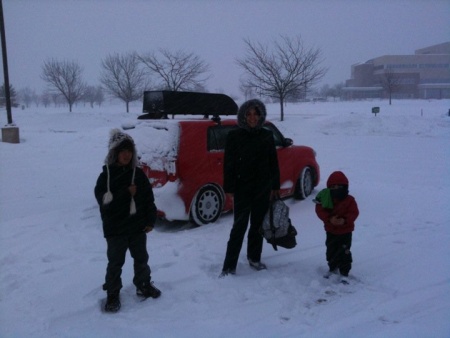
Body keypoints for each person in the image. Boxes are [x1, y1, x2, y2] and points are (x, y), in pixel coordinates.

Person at [94, 128, 161, 313]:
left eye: (129, 150)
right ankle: (113, 293)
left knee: (141, 259)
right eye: (122, 150)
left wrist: (150, 220)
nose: (126, 154)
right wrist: (125, 193)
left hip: (137, 227)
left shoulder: (138, 174)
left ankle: (143, 284)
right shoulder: (105, 177)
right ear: (114, 153)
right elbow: (105, 205)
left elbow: (148, 199)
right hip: (115, 230)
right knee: (115, 263)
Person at [220, 99, 280, 277]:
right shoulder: (234, 136)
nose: (253, 117)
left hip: (262, 187)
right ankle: (229, 266)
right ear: (243, 116)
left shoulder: (267, 135)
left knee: (257, 226)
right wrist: (229, 187)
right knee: (239, 227)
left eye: (256, 114)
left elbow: (273, 162)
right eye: (249, 114)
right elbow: (228, 164)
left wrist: (275, 185)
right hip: (242, 188)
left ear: (261, 116)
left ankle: (254, 258)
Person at [314, 171, 359, 284]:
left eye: (339, 186)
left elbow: (354, 213)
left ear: (345, 186)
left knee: (344, 251)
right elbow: (319, 210)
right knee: (331, 250)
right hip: (331, 230)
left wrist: (344, 220)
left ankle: (344, 272)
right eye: (333, 187)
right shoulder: (325, 197)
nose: (336, 189)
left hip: (345, 231)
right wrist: (329, 219)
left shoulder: (350, 200)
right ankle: (332, 268)